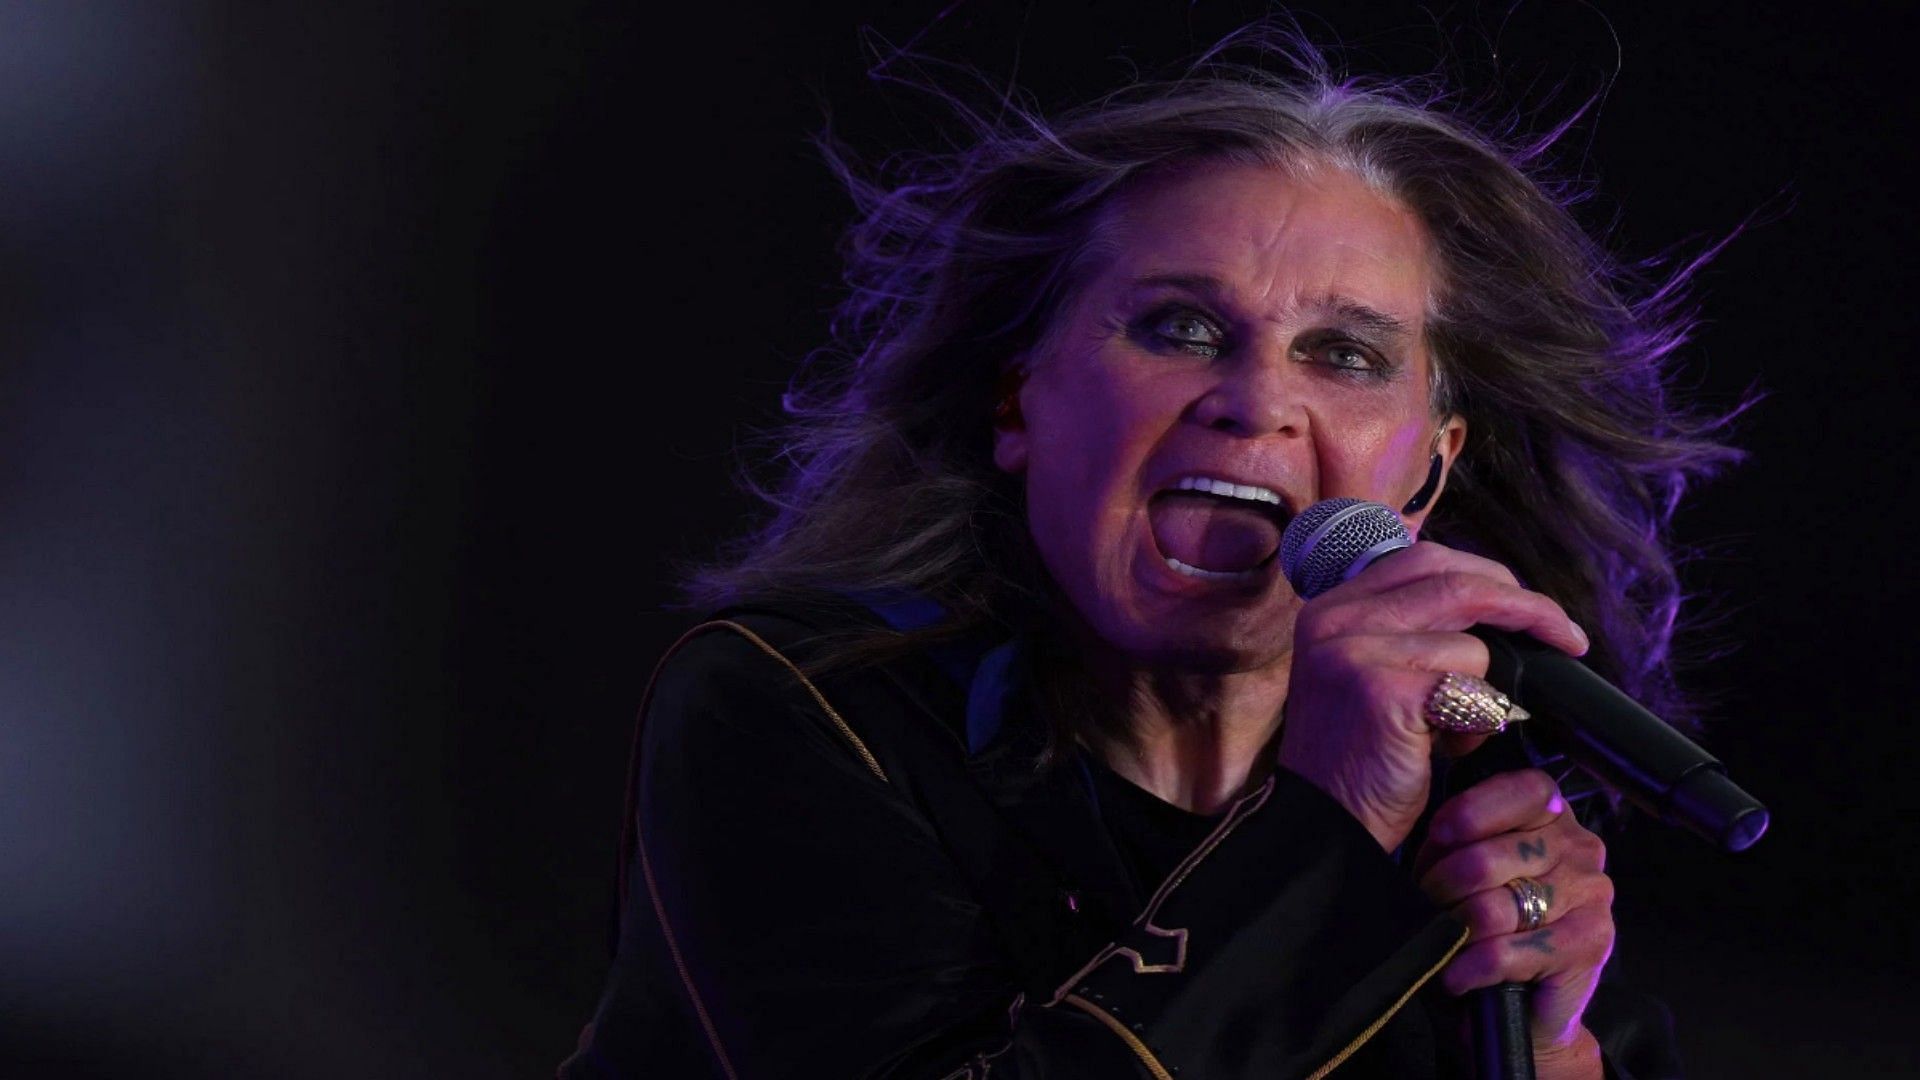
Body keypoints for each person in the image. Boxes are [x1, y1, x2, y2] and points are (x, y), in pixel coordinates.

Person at [559, 32, 1738, 1080]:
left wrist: (1550, 1051)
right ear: (1018, 402)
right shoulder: (804, 709)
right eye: (1180, 328)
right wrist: (1324, 832)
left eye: (1346, 355)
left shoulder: (1467, 773)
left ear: (1424, 473)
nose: (1256, 398)